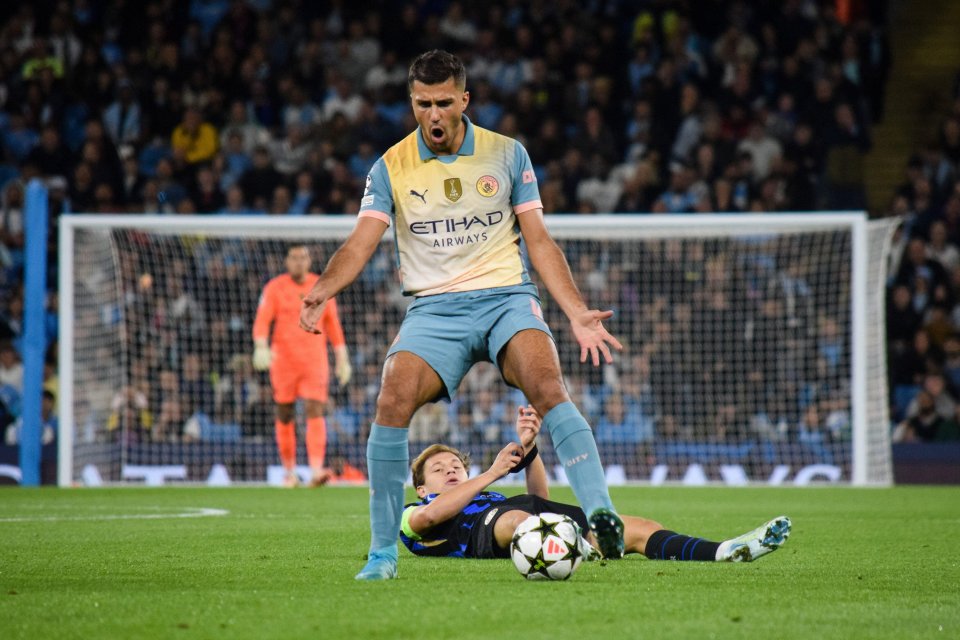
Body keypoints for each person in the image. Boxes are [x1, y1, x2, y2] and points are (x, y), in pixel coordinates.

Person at [299, 50, 626, 581]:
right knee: (392, 396)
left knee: (546, 383)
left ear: (463, 101)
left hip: (505, 296)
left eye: (444, 103)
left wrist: (576, 312)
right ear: (412, 104)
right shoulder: (390, 167)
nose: (433, 114)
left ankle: (600, 512)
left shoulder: (507, 154)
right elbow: (360, 244)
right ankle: (383, 554)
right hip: (434, 309)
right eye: (423, 104)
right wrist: (322, 290)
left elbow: (539, 241)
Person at [401, 406, 792, 563]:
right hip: (491, 528)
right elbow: (430, 518)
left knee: (637, 527)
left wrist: (530, 450)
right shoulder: (414, 512)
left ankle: (724, 550)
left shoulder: (488, 491)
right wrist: (492, 472)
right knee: (514, 518)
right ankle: (573, 545)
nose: (451, 469)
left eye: (455, 464)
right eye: (438, 469)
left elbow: (540, 499)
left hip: (531, 517)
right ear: (421, 487)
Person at [253, 244, 353, 487]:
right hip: (283, 362)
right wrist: (260, 346)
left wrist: (342, 356)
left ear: (309, 261)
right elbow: (263, 321)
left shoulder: (321, 285)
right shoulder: (275, 288)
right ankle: (289, 472)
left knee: (314, 410)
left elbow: (332, 324)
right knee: (284, 412)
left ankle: (316, 470)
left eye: (303, 257)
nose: (299, 262)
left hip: (314, 361)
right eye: (294, 257)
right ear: (286, 261)